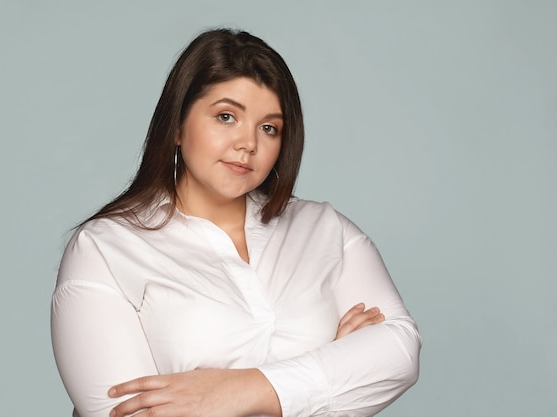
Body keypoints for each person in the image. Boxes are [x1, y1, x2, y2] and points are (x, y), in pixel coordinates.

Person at [51, 28, 421, 417]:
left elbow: (399, 350)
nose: (248, 143)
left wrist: (239, 391)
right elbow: (126, 413)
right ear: (177, 125)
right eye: (226, 117)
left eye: (269, 128)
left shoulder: (326, 230)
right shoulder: (104, 249)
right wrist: (333, 375)